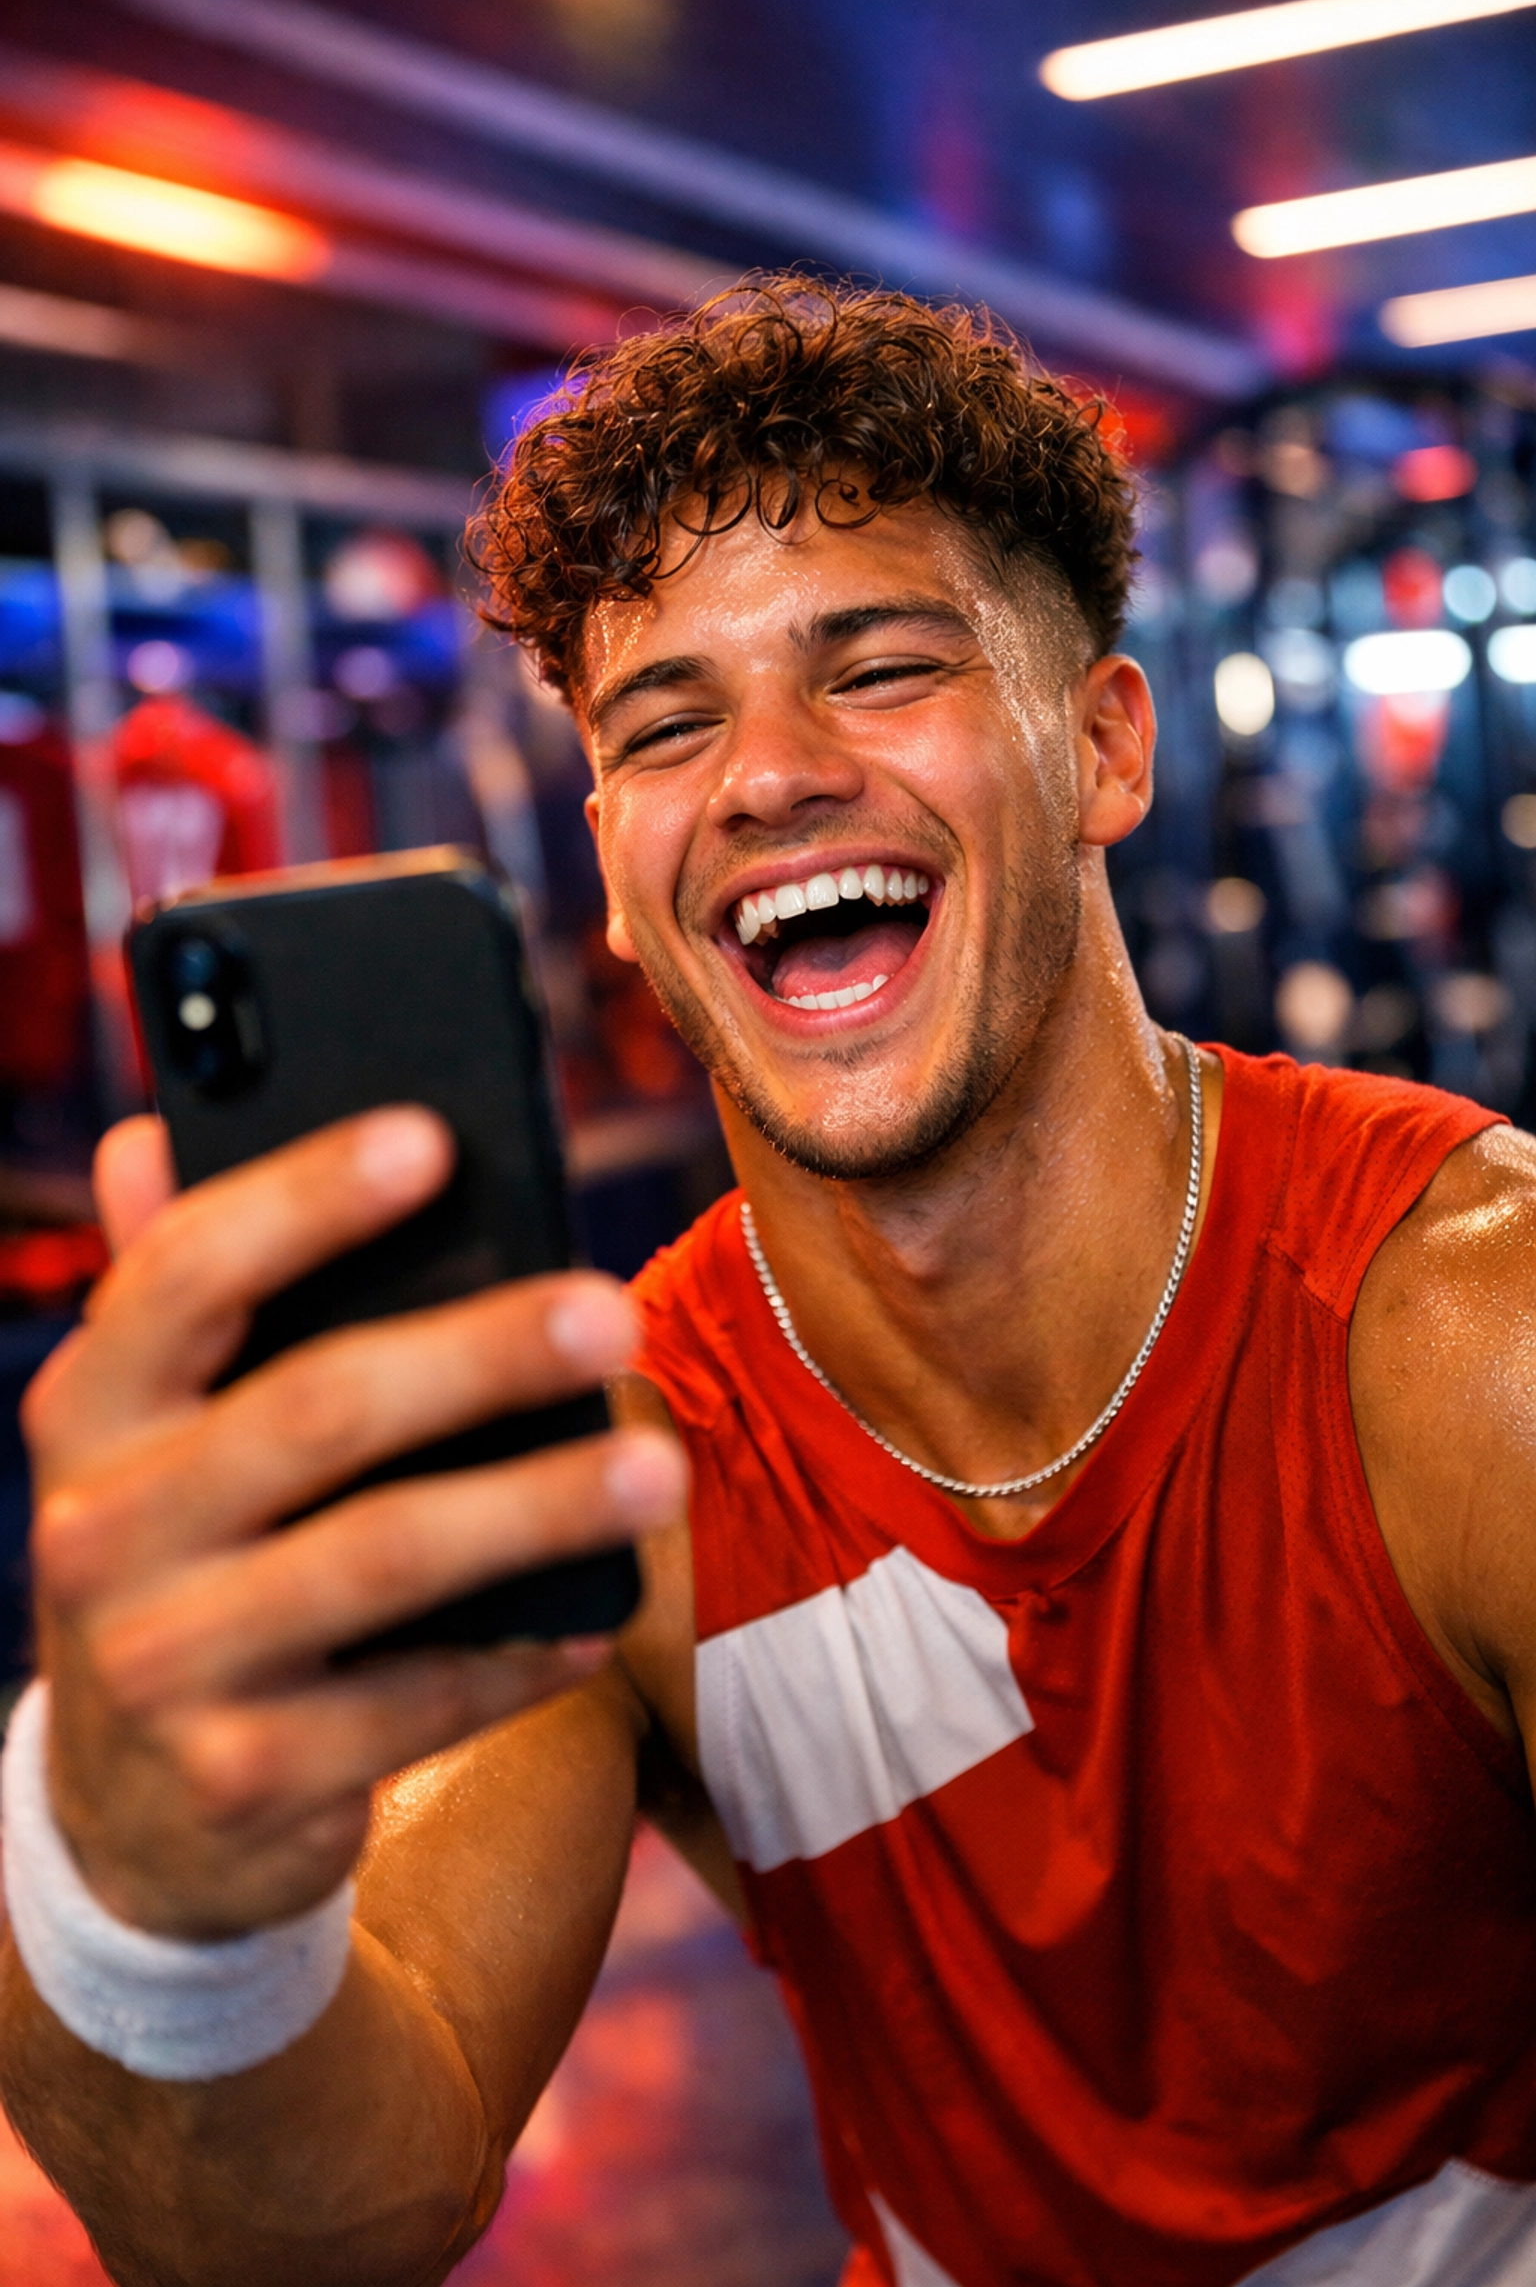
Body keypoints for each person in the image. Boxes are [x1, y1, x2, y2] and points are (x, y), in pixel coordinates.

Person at [5, 278, 1536, 2287]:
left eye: (877, 670)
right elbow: (314, 2228)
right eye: (668, 723)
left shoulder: (1462, 1342)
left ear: (1098, 742)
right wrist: (143, 1889)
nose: (763, 777)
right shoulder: (626, 1473)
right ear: (623, 882)